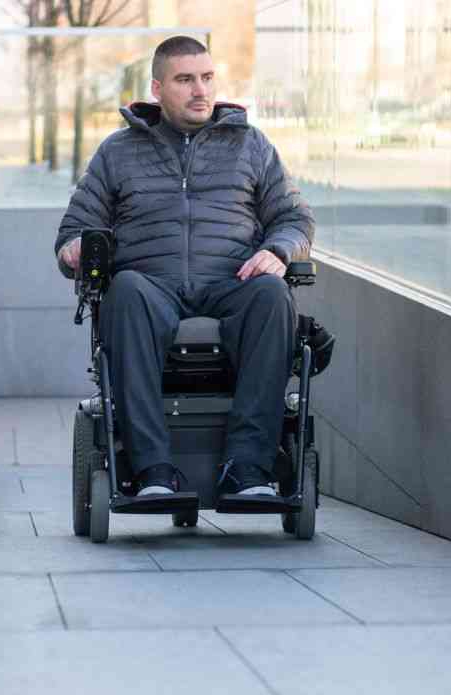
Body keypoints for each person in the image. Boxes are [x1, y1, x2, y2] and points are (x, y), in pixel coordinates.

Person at [54, 36, 314, 498]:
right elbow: (75, 227)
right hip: (152, 285)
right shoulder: (118, 152)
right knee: (127, 289)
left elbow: (294, 218)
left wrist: (277, 250)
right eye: (185, 79)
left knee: (273, 295)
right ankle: (153, 469)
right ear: (157, 88)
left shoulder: (251, 146)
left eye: (207, 78)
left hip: (233, 281)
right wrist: (75, 247)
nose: (200, 90)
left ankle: (247, 468)